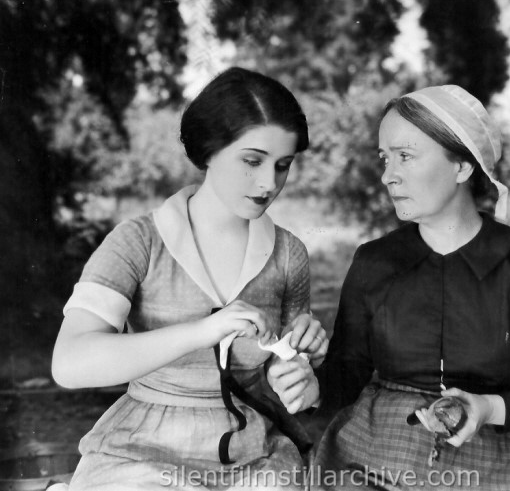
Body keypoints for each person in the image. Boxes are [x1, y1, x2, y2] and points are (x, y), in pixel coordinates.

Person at [51, 67, 328, 491]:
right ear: (209, 150)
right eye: (252, 161)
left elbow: (285, 372)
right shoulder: (139, 240)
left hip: (254, 457)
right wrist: (201, 331)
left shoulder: (288, 253)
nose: (269, 183)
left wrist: (301, 378)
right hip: (144, 451)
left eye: (283, 165)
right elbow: (69, 364)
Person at [311, 85, 510, 491]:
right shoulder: (374, 262)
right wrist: (311, 386)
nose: (388, 175)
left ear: (462, 168)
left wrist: (488, 408)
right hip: (378, 458)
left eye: (405, 156)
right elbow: (347, 372)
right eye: (385, 158)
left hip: (502, 464)